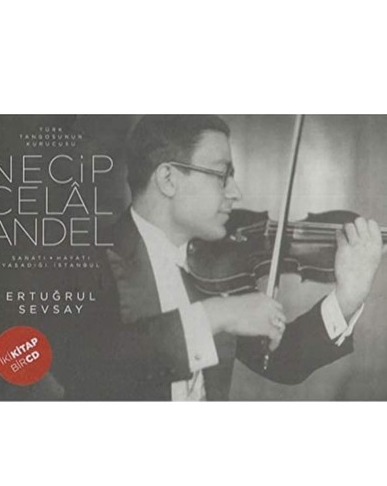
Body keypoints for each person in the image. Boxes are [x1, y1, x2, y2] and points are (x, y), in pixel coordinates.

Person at [64, 115, 383, 400]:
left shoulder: (216, 262)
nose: (235, 192)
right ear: (168, 179)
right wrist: (218, 314)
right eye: (222, 175)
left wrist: (347, 297)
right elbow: (89, 363)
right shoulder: (85, 259)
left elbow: (283, 361)